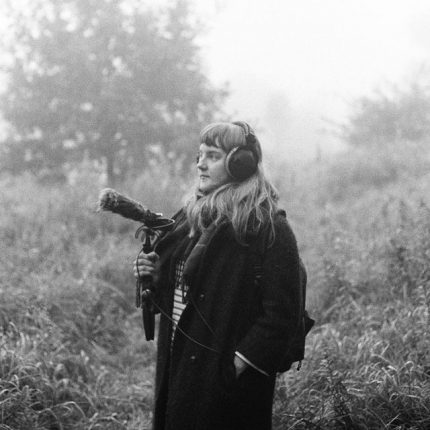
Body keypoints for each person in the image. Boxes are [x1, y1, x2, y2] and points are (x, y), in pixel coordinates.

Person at [133, 121, 303, 430]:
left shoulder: (268, 229)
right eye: (199, 155)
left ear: (241, 163)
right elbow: (179, 297)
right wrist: (154, 278)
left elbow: (283, 316)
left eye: (212, 155)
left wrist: (235, 367)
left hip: (231, 390)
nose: (200, 163)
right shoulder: (188, 219)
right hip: (179, 368)